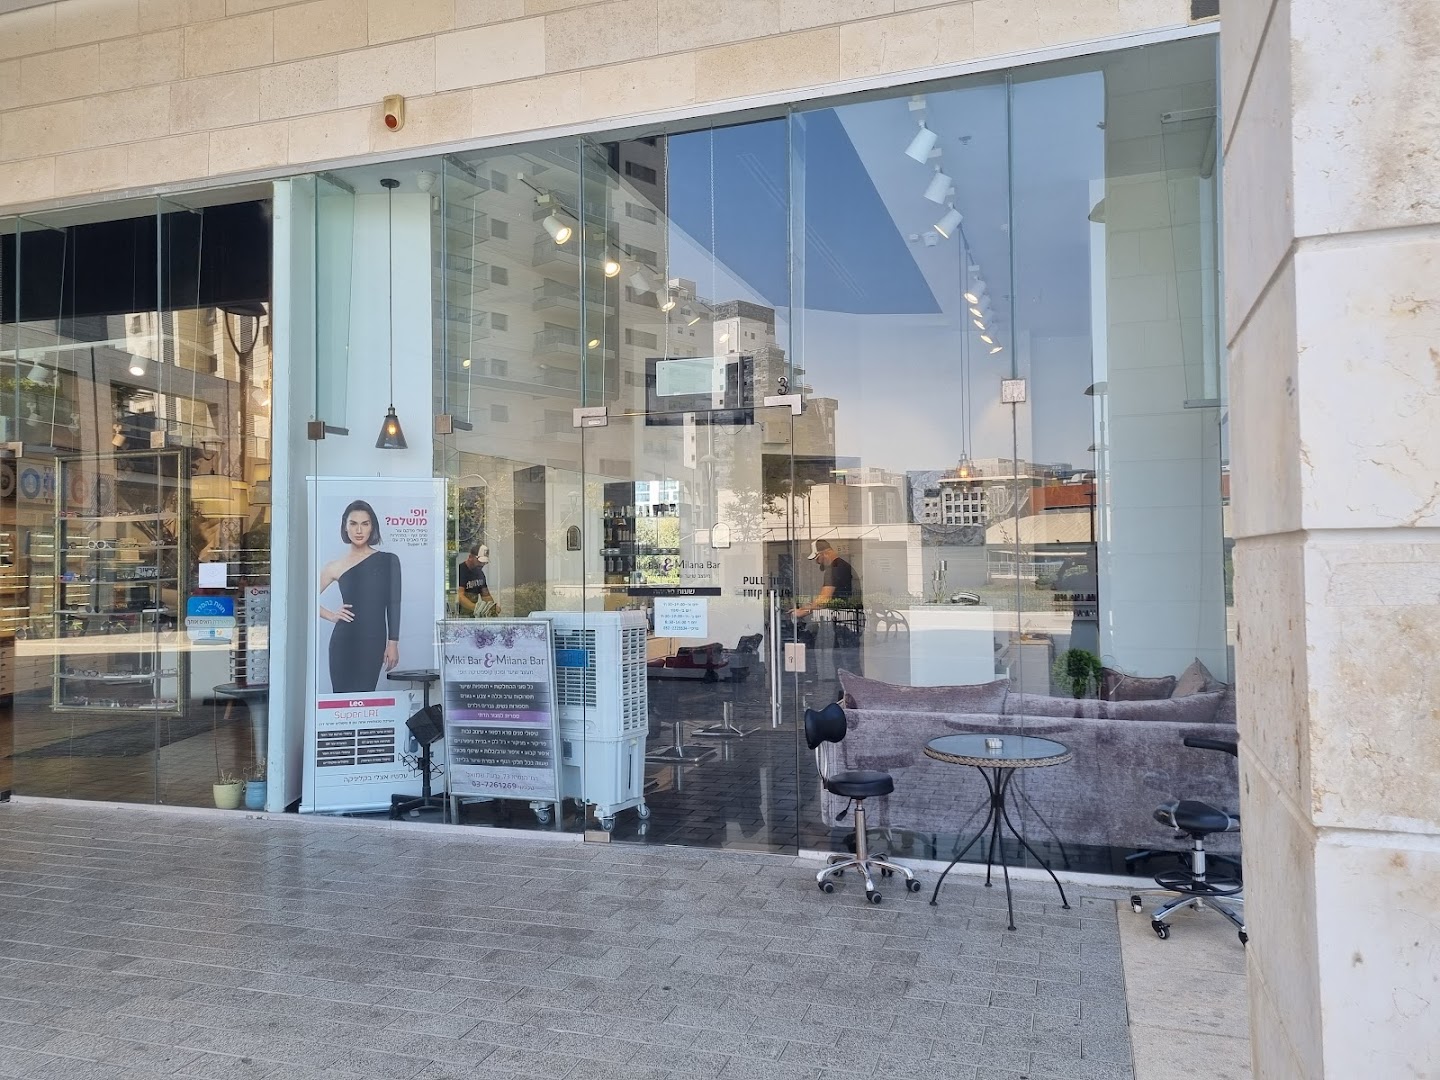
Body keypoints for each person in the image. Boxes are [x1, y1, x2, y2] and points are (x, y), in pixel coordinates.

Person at [319, 499, 401, 693]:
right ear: (345, 527)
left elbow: (394, 603)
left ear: (372, 527)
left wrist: (393, 643)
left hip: (373, 642)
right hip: (342, 643)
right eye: (353, 523)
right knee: (341, 700)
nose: (358, 530)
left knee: (365, 698)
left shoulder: (388, 560)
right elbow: (303, 598)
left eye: (365, 524)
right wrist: (331, 615)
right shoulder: (334, 566)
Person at [794, 539, 862, 697]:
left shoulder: (835, 569)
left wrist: (802, 612)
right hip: (849, 622)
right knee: (846, 663)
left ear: (824, 553)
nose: (817, 563)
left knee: (845, 664)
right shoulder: (843, 566)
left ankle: (851, 700)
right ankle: (848, 698)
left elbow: (824, 599)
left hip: (846, 623)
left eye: (817, 558)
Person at [457, 543, 499, 617]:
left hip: (471, 615)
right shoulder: (460, 570)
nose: (482, 565)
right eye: (480, 561)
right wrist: (476, 608)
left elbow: (486, 595)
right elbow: (459, 596)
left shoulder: (480, 573)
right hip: (459, 616)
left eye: (484, 562)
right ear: (470, 557)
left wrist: (492, 608)